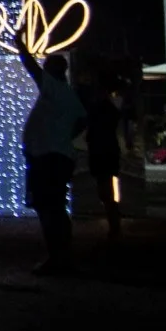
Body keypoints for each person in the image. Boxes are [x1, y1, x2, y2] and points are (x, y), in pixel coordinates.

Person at [21, 47, 87, 273]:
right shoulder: (68, 94)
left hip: (46, 159)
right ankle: (62, 255)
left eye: (47, 68)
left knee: (48, 208)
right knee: (56, 207)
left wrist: (20, 44)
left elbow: (31, 68)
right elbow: (82, 121)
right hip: (57, 157)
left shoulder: (52, 88)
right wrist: (63, 135)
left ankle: (57, 258)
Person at [81, 74, 127, 239]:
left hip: (101, 152)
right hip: (108, 151)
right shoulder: (111, 109)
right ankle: (114, 222)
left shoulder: (99, 110)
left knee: (105, 189)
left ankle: (114, 224)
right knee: (107, 188)